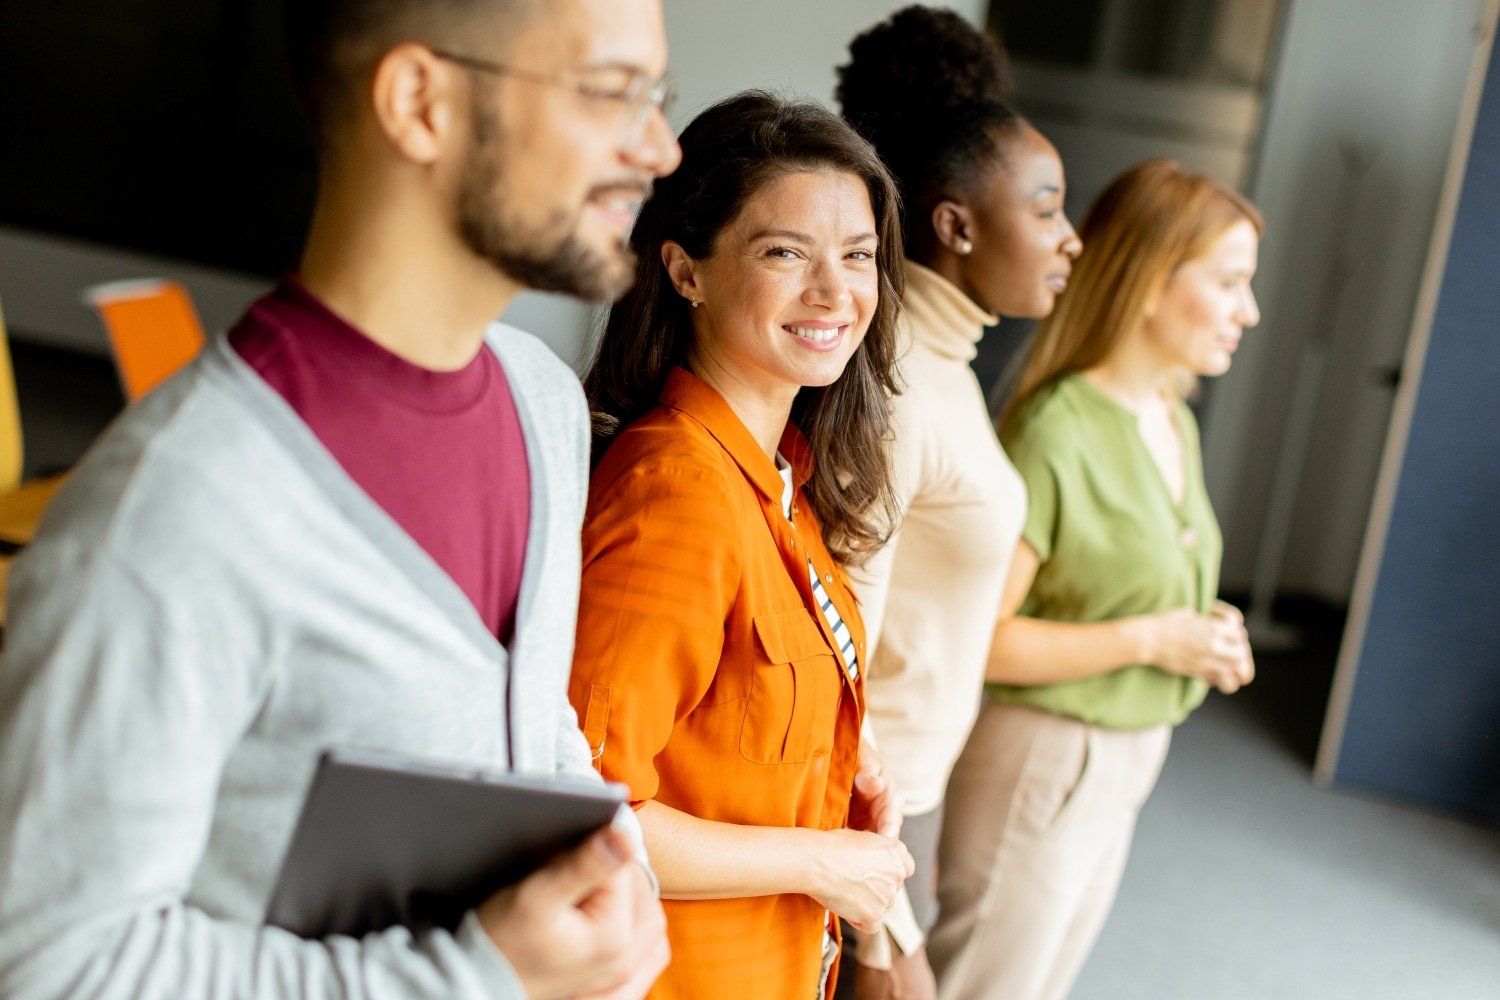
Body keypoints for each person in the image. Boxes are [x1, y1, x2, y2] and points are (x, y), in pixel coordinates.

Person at [0, 1, 680, 998]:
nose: (658, 148)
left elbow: (528, 717)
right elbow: (49, 960)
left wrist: (614, 876)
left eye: (654, 97)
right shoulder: (173, 510)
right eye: (614, 92)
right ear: (419, 102)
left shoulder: (543, 405)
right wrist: (470, 975)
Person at [570, 90, 914, 999]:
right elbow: (586, 813)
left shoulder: (780, 476)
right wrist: (820, 861)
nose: (834, 293)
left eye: (858, 256)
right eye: (785, 252)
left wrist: (833, 768)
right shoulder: (679, 494)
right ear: (687, 271)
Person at [928, 158, 1262, 1000]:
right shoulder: (1058, 429)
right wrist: (1155, 637)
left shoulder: (1173, 420)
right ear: (1150, 281)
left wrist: (1202, 629)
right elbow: (988, 642)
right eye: (1228, 283)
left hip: (1127, 758)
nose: (1247, 312)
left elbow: (1125, 583)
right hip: (1045, 758)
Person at [832, 7, 1081, 996]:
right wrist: (881, 923)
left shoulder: (949, 363)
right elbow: (840, 651)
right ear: (956, 224)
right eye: (1049, 208)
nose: (1070, 238)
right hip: (864, 814)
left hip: (908, 802)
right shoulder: (897, 389)